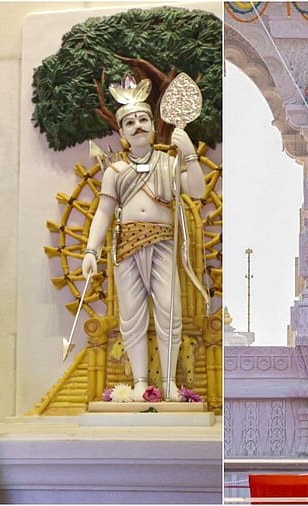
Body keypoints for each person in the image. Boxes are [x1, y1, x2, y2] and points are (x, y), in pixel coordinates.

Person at [82, 79, 206, 402]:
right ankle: (139, 382)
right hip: (127, 248)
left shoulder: (169, 163)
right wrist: (91, 251)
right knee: (132, 315)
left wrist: (190, 155)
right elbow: (103, 213)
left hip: (163, 244)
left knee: (169, 311)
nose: (137, 126)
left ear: (153, 125)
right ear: (121, 133)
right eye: (129, 122)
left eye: (143, 120)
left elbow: (197, 190)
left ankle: (167, 382)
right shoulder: (115, 171)